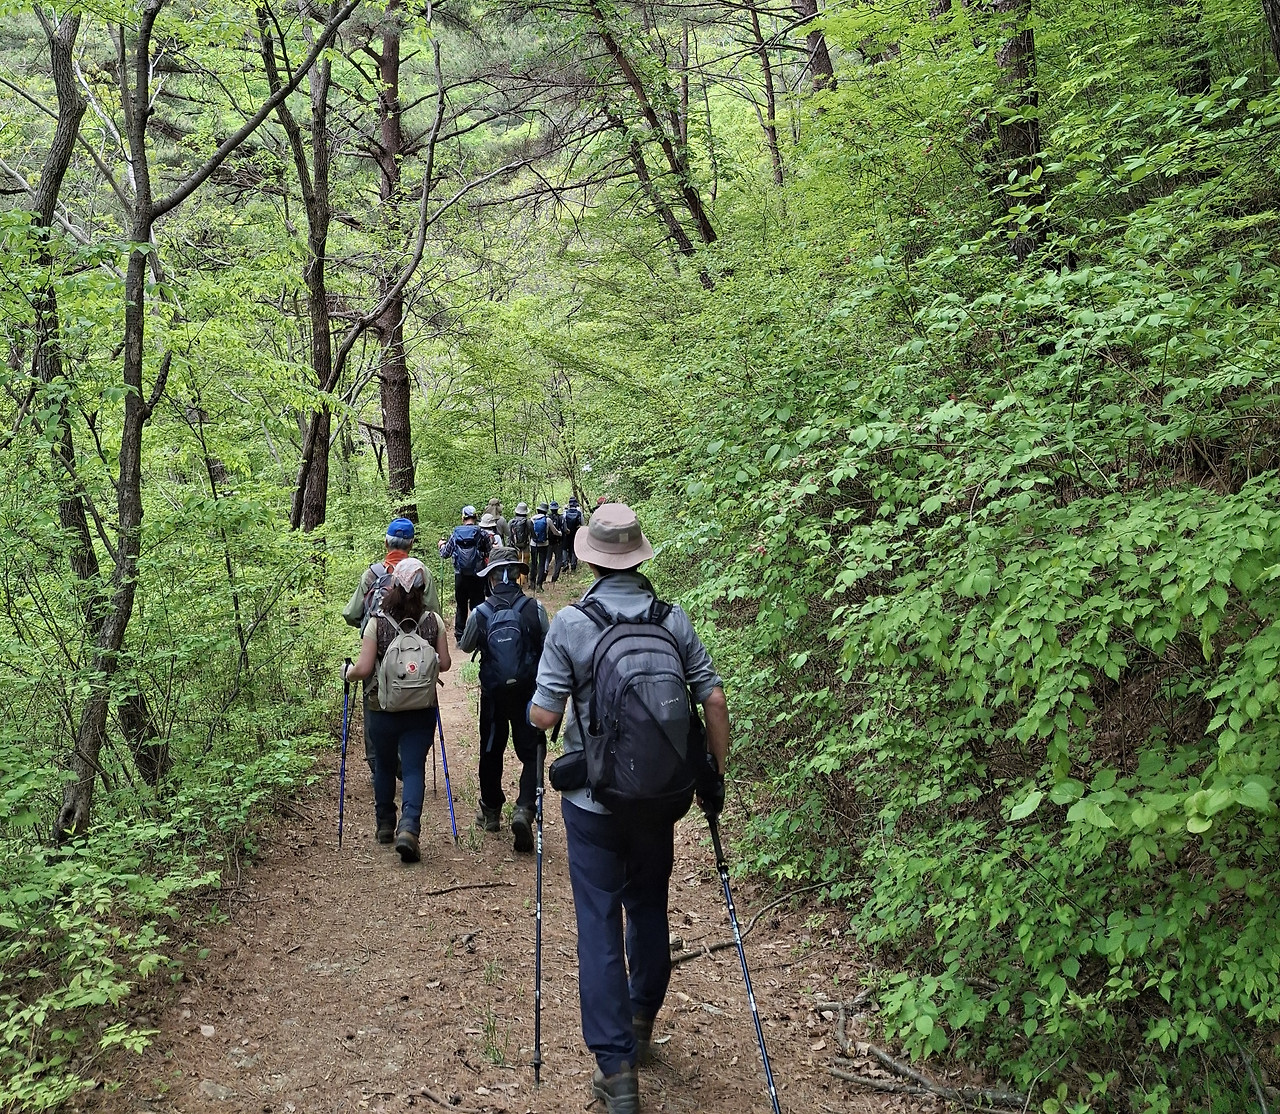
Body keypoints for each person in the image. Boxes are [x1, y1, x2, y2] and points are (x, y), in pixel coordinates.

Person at [530, 504, 730, 1114]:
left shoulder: (570, 623)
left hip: (591, 804)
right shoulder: (673, 619)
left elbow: (543, 716)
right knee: (648, 905)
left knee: (598, 923)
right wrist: (714, 776)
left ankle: (616, 1073)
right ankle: (642, 1020)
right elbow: (714, 702)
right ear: (639, 556)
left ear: (588, 555)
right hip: (660, 800)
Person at [341, 557, 452, 863]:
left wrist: (347, 672)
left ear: (391, 588)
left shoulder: (377, 623)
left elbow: (363, 669)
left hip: (382, 708)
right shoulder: (434, 621)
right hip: (421, 708)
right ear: (423, 588)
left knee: (386, 765)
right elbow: (444, 664)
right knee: (414, 767)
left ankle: (385, 824)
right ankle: (409, 828)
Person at [458, 547, 549, 852]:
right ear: (518, 575)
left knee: (491, 749)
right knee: (533, 751)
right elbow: (547, 647)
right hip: (528, 693)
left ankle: (492, 811)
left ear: (493, 578)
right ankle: (525, 807)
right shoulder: (534, 608)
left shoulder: (481, 612)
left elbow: (466, 646)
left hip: (494, 694)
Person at [342, 517, 440, 773]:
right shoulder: (422, 573)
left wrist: (375, 629)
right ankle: (406, 760)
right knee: (414, 698)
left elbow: (352, 614)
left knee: (375, 703)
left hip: (377, 657)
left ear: (386, 542)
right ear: (412, 543)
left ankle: (379, 763)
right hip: (416, 658)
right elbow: (433, 613)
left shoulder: (371, 574)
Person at [439, 505, 492, 642]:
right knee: (478, 605)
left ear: (463, 518)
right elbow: (489, 551)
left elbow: (445, 554)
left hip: (460, 575)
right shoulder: (482, 533)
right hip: (478, 575)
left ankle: (459, 637)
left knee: (461, 606)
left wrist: (441, 545)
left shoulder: (455, 534)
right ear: (475, 517)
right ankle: (479, 635)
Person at [528, 502, 559, 591]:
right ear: (546, 511)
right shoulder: (547, 520)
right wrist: (560, 534)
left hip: (533, 544)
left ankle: (532, 582)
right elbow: (554, 531)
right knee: (542, 564)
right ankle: (539, 585)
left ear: (538, 510)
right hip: (544, 544)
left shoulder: (532, 519)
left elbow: (530, 532)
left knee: (533, 563)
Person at [563, 497, 585, 572]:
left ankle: (565, 563)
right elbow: (583, 524)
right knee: (574, 548)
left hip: (567, 533)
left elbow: (563, 523)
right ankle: (573, 564)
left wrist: (566, 530)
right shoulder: (579, 513)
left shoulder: (565, 512)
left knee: (565, 548)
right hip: (576, 533)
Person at [509, 502, 532, 571]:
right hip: (525, 548)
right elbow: (531, 534)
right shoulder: (528, 522)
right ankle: (524, 581)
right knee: (524, 568)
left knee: (515, 568)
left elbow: (509, 536)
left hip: (514, 549)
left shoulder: (511, 522)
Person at [548, 500, 567, 583]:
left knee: (546, 559)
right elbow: (565, 529)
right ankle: (555, 577)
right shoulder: (561, 518)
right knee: (558, 559)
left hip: (548, 542)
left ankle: (543, 574)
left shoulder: (547, 518)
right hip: (558, 542)